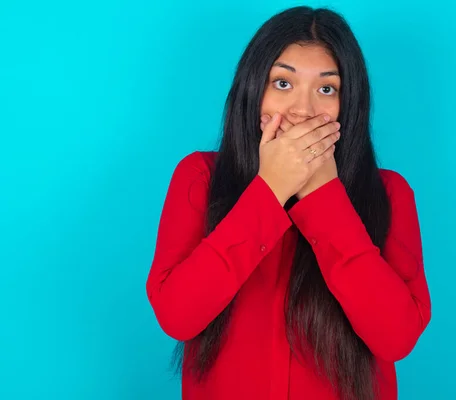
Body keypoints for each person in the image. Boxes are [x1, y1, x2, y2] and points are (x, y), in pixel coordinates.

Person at [146, 6, 431, 400]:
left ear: (349, 106)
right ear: (253, 89)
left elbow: (396, 337)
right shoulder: (200, 178)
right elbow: (177, 315)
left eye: (327, 89)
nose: (303, 110)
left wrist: (323, 198)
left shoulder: (389, 193)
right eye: (283, 83)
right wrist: (270, 190)